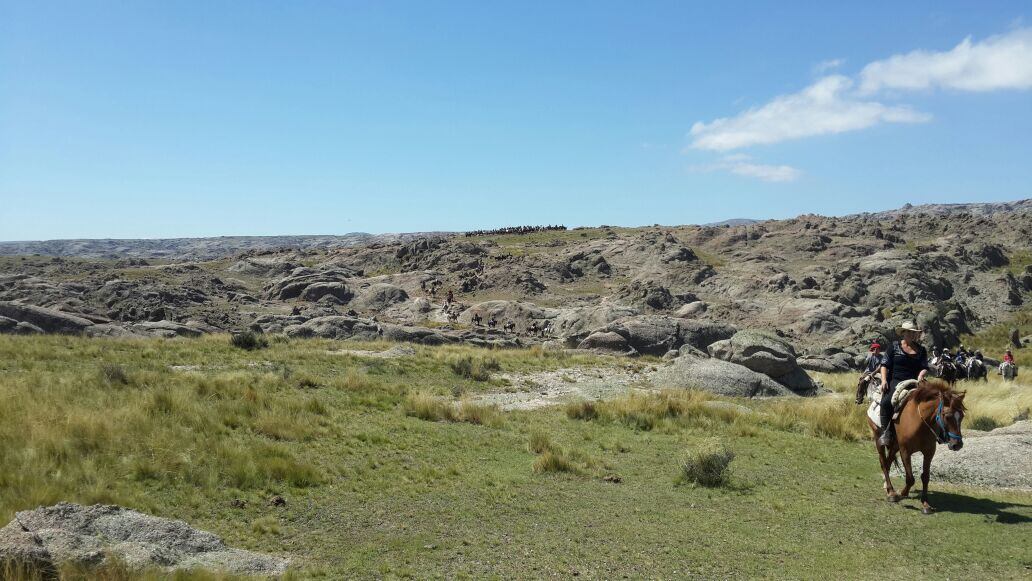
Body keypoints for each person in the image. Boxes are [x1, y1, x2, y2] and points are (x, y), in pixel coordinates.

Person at [879, 321, 930, 446]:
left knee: (933, 401)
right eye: (909, 332)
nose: (912, 335)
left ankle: (938, 432)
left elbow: (924, 366)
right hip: (896, 380)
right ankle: (886, 434)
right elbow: (884, 365)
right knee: (886, 403)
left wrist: (921, 374)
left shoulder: (921, 350)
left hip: (914, 380)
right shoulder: (894, 346)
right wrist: (884, 380)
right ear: (903, 333)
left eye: (914, 333)